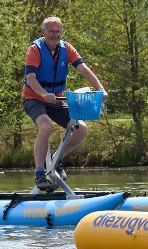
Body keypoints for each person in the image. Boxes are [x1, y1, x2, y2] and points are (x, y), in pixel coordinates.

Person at [22, 17, 108, 190]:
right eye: (51, 31)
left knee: (81, 128)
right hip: (34, 98)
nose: (55, 35)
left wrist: (100, 88)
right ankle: (39, 173)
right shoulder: (35, 50)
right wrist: (44, 94)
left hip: (56, 100)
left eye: (58, 31)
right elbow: (30, 79)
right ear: (43, 33)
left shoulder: (66, 48)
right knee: (46, 127)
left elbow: (84, 69)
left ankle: (56, 159)